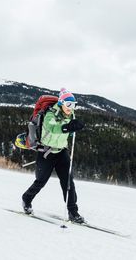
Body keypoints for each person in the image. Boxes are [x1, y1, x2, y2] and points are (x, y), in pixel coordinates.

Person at [22, 88, 85, 223]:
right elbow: (52, 128)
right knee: (41, 181)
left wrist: (74, 128)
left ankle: (73, 212)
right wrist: (67, 127)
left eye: (74, 105)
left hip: (62, 152)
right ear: (61, 103)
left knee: (68, 183)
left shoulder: (71, 114)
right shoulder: (50, 114)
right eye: (68, 105)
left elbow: (68, 132)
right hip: (46, 152)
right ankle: (26, 199)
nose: (71, 108)